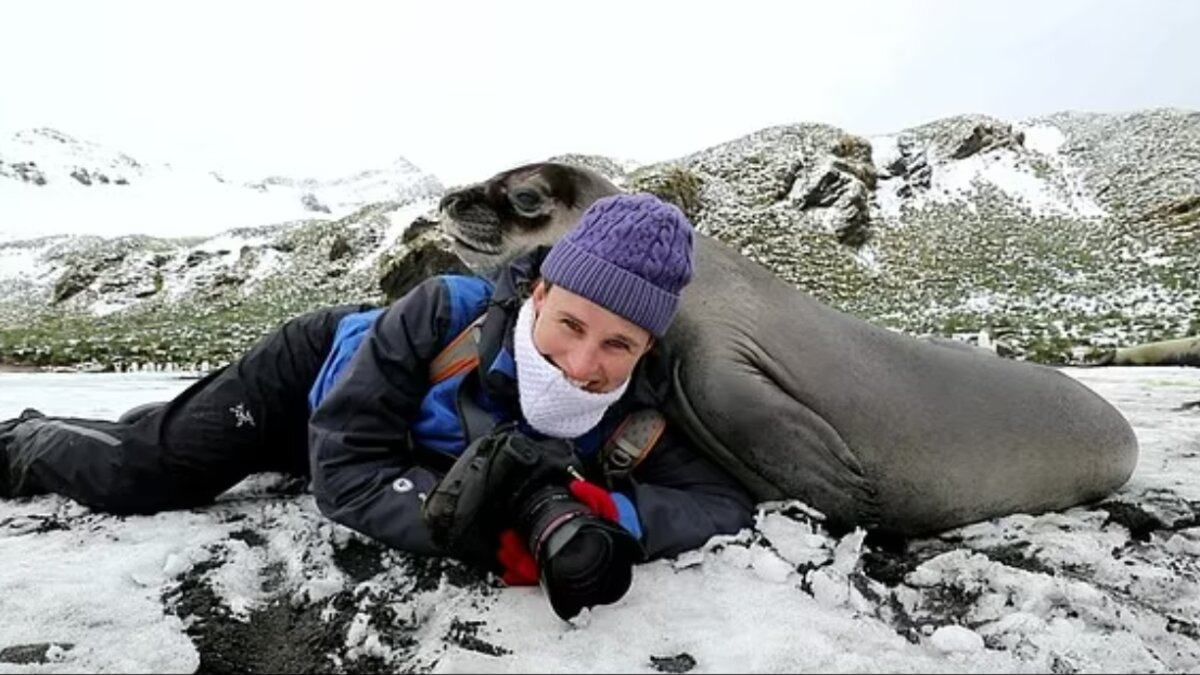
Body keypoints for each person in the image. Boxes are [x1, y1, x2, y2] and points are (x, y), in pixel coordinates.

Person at [1, 193, 754, 620]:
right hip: (307, 384)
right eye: (570, 325)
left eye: (618, 344)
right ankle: (23, 439)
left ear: (648, 348)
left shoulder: (635, 413)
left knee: (167, 445)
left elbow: (721, 501)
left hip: (386, 446)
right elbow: (350, 471)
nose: (585, 364)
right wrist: (471, 522)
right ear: (540, 291)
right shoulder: (443, 315)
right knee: (144, 471)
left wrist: (607, 511)